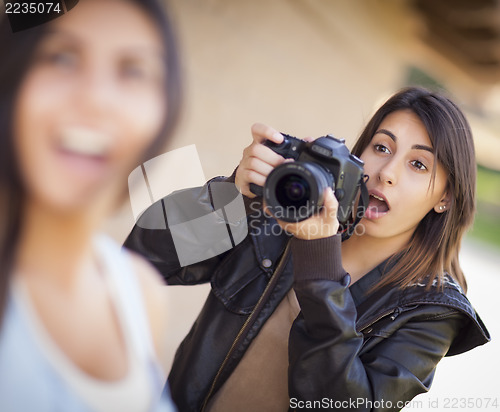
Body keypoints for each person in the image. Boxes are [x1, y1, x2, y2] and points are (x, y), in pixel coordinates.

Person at [124, 87, 491, 412]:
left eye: (418, 164)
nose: (387, 172)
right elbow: (143, 258)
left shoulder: (431, 311)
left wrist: (319, 261)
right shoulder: (279, 217)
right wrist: (233, 195)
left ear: (445, 197)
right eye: (381, 147)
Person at [0, 0, 181, 411]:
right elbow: (173, 251)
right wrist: (234, 197)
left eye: (133, 70)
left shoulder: (141, 294)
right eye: (60, 57)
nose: (97, 98)